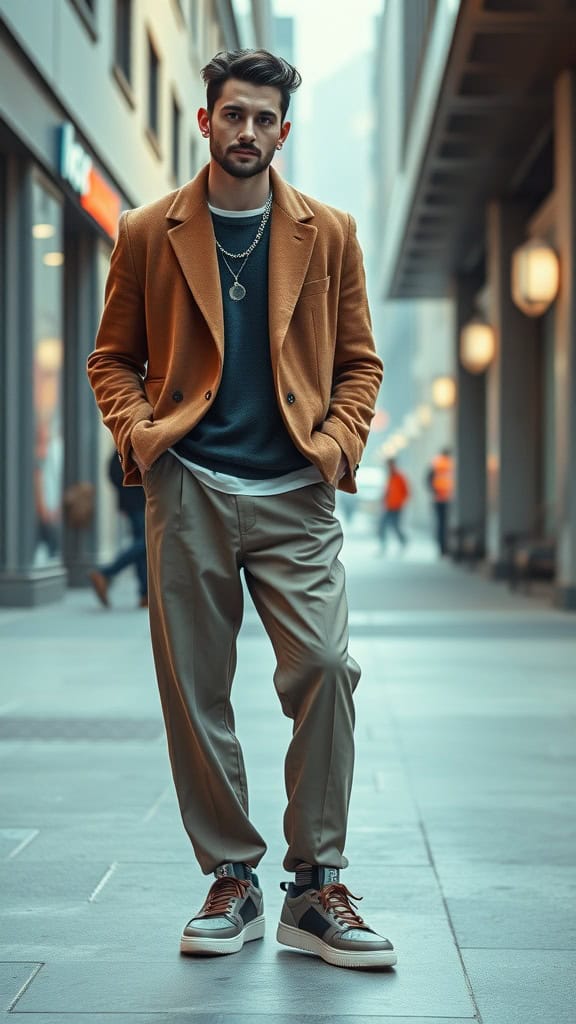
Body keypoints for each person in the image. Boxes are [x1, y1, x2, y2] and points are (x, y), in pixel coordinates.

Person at [87, 49, 396, 970]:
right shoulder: (148, 231)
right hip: (190, 483)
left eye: (265, 119)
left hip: (296, 493)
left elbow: (360, 364)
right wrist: (145, 438)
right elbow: (112, 358)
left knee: (327, 669)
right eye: (234, 116)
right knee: (197, 693)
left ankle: (315, 886)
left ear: (284, 131)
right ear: (205, 121)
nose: (248, 133)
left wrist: (337, 447)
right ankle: (232, 874)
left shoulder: (329, 232)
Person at [88, 450, 147, 608]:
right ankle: (106, 572)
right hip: (139, 502)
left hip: (138, 502)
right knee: (147, 543)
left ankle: (145, 594)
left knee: (142, 546)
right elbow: (115, 471)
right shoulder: (134, 437)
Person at [426, 447, 454, 556]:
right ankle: (446, 547)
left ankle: (442, 548)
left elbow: (428, 479)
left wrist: (434, 492)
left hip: (438, 498)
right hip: (449, 498)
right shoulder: (451, 463)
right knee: (446, 525)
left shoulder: (436, 463)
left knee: (440, 524)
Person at [378, 458, 410, 552]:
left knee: (395, 526)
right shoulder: (390, 477)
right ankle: (383, 546)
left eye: (390, 465)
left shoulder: (399, 476)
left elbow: (406, 492)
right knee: (382, 525)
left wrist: (400, 502)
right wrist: (383, 499)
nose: (388, 467)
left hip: (397, 507)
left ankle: (403, 540)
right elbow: (388, 491)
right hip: (388, 506)